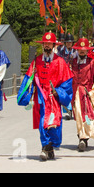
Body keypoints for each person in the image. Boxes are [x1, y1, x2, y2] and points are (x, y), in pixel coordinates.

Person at [17, 32, 73, 161]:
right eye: (45, 44)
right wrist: (26, 93)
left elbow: (67, 82)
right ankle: (45, 147)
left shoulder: (60, 62)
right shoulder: (37, 62)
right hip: (41, 98)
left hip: (53, 98)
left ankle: (50, 147)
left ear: (53, 45)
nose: (47, 46)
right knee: (43, 123)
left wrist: (58, 92)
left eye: (49, 44)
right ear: (43, 45)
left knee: (54, 124)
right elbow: (28, 79)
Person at [70, 38, 94, 152]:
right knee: (79, 116)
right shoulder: (72, 63)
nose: (82, 52)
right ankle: (81, 137)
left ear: (87, 51)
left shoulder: (92, 63)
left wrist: (92, 93)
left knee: (88, 116)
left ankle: (84, 138)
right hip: (75, 94)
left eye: (84, 50)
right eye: (80, 50)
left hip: (87, 94)